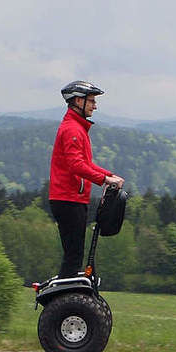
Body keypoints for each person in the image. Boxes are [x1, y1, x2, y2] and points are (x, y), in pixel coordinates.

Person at [47, 80, 122, 279]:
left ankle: (67, 299)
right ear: (78, 101)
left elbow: (85, 163)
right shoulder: (72, 129)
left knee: (75, 254)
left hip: (73, 199)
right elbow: (75, 166)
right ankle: (63, 302)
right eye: (91, 101)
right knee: (73, 255)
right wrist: (105, 179)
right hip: (67, 199)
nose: (95, 106)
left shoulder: (78, 128)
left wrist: (109, 175)